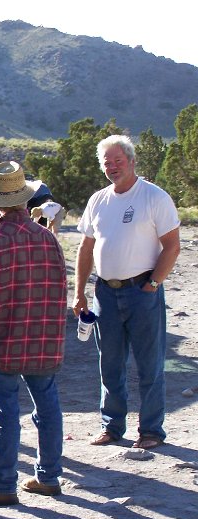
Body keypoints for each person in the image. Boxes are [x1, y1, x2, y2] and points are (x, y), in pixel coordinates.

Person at [0, 161, 67, 506]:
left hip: (1, 341)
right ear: (24, 199)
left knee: (4, 412)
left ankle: (3, 484)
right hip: (42, 341)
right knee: (47, 407)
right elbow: (60, 292)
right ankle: (48, 477)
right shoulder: (47, 238)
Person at [73, 135, 180, 450]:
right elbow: (86, 248)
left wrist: (153, 284)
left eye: (118, 161)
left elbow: (172, 246)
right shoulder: (98, 200)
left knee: (150, 364)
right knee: (110, 364)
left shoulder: (154, 197)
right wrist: (79, 292)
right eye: (107, 163)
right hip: (105, 293)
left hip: (142, 291)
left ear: (132, 161)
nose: (113, 167)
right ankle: (112, 427)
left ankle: (151, 431)